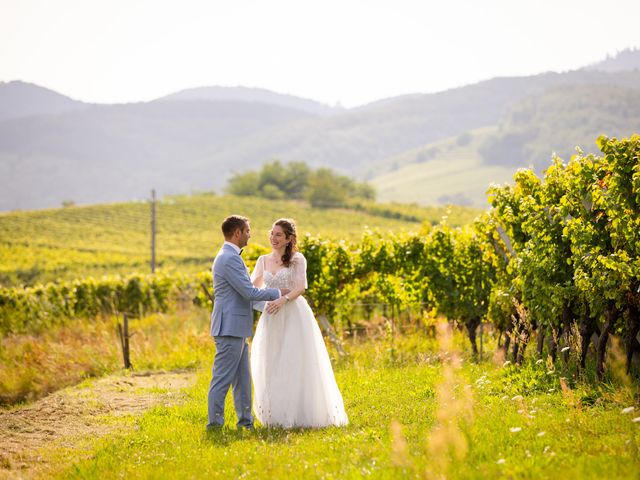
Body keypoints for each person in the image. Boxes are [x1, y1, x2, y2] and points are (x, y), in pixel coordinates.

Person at [250, 218, 348, 428]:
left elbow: (300, 287)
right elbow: (253, 289)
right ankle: (275, 415)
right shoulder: (262, 260)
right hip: (272, 315)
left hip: (293, 313)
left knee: (294, 360)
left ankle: (300, 414)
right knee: (272, 360)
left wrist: (282, 299)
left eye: (278, 235)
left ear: (289, 238)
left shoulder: (297, 259)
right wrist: (264, 303)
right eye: (272, 233)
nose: (273, 238)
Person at [207, 215, 290, 430]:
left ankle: (245, 423)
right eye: (247, 231)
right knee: (222, 379)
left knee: (243, 380)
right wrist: (279, 293)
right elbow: (247, 291)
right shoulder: (229, 258)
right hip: (229, 328)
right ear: (237, 233)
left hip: (237, 327)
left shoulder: (229, 256)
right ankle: (214, 425)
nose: (249, 235)